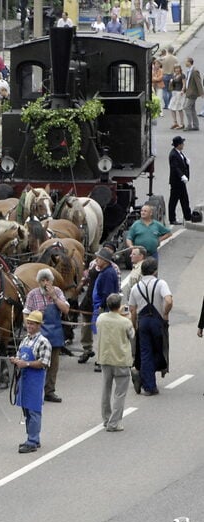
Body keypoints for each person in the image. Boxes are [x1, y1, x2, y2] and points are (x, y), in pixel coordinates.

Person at [23, 268, 70, 403]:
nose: (45, 283)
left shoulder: (58, 292)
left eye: (47, 280)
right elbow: (26, 313)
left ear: (51, 281)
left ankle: (49, 391)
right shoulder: (33, 294)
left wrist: (54, 297)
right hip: (38, 333)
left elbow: (66, 309)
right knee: (37, 363)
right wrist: (29, 327)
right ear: (38, 282)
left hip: (54, 332)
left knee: (53, 365)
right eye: (42, 280)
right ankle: (35, 392)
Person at [129, 258, 172, 396]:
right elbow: (169, 300)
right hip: (157, 321)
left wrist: (134, 325)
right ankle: (150, 375)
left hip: (143, 321)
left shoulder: (136, 287)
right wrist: (165, 313)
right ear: (155, 271)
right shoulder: (161, 283)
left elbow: (132, 309)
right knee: (160, 349)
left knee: (145, 352)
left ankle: (149, 386)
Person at [10, 311, 51, 454]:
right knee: (26, 409)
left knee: (34, 410)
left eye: (32, 324)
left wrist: (25, 364)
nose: (29, 326)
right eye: (28, 323)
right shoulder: (25, 340)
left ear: (39, 325)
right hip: (24, 379)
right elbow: (19, 354)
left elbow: (43, 363)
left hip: (35, 380)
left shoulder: (44, 342)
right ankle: (33, 437)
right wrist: (15, 360)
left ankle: (32, 441)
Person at [96, 293, 134, 432]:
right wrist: (127, 317)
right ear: (119, 305)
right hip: (121, 359)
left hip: (105, 359)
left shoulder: (101, 318)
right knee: (120, 393)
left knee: (106, 389)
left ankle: (106, 419)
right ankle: (114, 422)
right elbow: (132, 335)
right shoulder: (125, 322)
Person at [168, 135, 191, 225]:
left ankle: (188, 216)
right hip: (176, 182)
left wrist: (186, 163)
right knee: (174, 201)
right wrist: (182, 176)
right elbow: (175, 167)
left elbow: (181, 162)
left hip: (180, 182)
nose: (183, 145)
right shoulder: (173, 155)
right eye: (182, 143)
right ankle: (172, 219)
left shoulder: (179, 153)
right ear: (178, 145)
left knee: (184, 199)